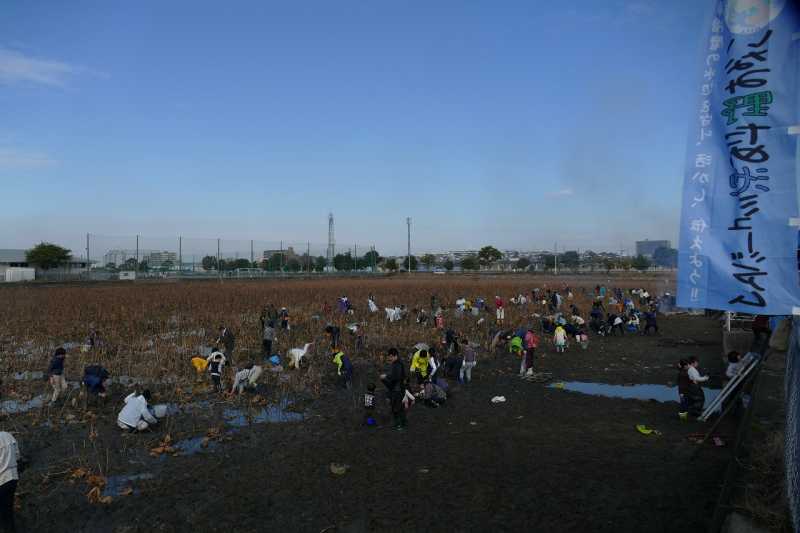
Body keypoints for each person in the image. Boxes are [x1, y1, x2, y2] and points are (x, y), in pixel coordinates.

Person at [380, 348, 407, 430]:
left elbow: (396, 376)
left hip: (397, 390)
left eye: (390, 357)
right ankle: (401, 423)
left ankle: (400, 424)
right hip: (396, 388)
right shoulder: (397, 364)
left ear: (394, 356)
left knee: (397, 408)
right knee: (397, 407)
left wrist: (386, 376)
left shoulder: (397, 364)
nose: (389, 358)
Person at [0, 431, 19, 532]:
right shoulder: (8, 435)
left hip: (1, 480)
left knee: (3, 515)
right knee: (8, 511)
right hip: (13, 478)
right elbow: (17, 456)